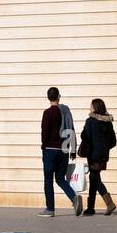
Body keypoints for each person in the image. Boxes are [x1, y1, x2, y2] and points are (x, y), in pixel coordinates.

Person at [39, 87, 82, 217]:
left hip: (50, 150)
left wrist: (44, 147)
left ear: (48, 98)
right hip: (64, 150)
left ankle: (50, 209)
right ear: (59, 96)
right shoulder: (66, 111)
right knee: (60, 178)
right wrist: (73, 149)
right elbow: (72, 129)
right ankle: (74, 197)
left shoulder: (47, 113)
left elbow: (44, 133)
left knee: (48, 180)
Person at [78, 98, 117, 216]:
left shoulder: (90, 121)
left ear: (95, 107)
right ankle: (90, 208)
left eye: (91, 105)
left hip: (93, 155)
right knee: (94, 178)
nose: (89, 107)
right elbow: (113, 141)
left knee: (95, 179)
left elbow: (86, 137)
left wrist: (84, 136)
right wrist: (104, 149)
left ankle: (109, 203)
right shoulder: (108, 122)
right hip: (103, 155)